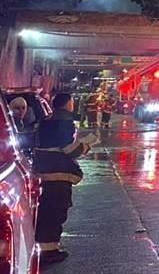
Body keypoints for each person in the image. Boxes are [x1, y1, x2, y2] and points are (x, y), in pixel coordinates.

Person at [34, 93, 98, 266]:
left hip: (42, 171)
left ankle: (41, 248)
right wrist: (86, 145)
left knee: (45, 211)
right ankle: (49, 252)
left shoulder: (46, 120)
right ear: (69, 103)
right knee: (55, 211)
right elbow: (70, 150)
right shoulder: (64, 122)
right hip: (58, 174)